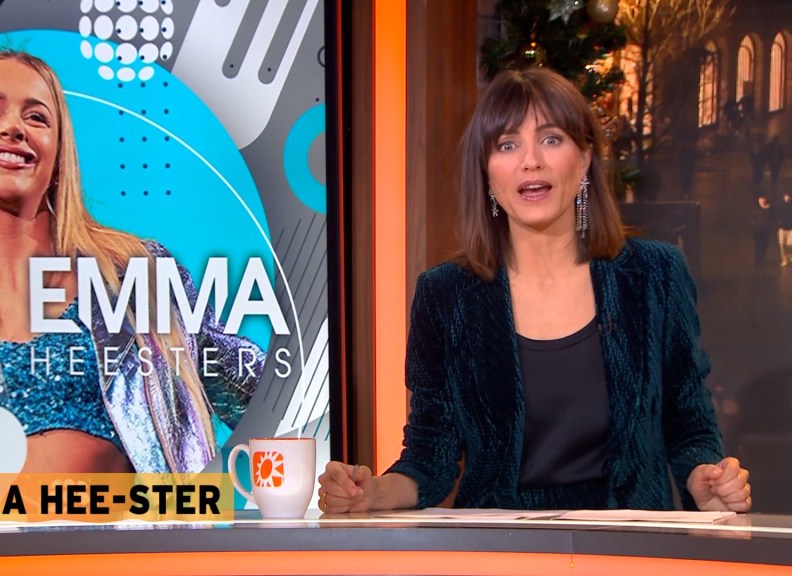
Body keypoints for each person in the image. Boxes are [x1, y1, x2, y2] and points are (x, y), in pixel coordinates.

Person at [0, 50, 263, 511]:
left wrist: (315, 475)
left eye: (36, 117)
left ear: (59, 157)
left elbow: (257, 388)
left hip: (123, 547)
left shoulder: (135, 277)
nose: (12, 127)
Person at [318, 68, 751, 513]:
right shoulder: (446, 294)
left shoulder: (654, 274)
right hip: (500, 543)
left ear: (585, 158)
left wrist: (704, 478)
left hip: (627, 541)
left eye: (551, 139)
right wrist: (371, 493)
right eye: (507, 145)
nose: (531, 161)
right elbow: (431, 456)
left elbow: (689, 419)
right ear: (487, 171)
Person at [775, 192, 792, 267]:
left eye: (788, 196)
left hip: (790, 229)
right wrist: (779, 224)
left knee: (789, 244)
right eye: (785, 196)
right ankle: (784, 259)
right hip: (782, 228)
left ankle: (790, 255)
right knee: (782, 245)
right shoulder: (780, 205)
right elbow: (777, 215)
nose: (786, 197)